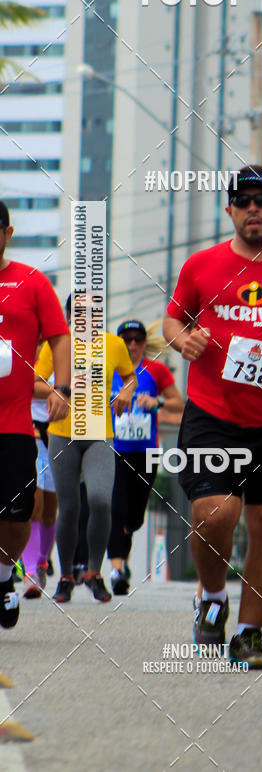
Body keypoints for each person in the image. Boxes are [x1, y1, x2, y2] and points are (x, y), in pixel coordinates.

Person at [163, 165, 262, 669]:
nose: (253, 209)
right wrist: (182, 339)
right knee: (214, 513)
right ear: (229, 210)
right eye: (243, 201)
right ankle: (212, 596)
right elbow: (173, 317)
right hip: (213, 410)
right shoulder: (202, 265)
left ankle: (248, 633)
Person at [35, 293, 137, 603]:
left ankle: (94, 572)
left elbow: (130, 377)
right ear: (68, 316)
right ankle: (66, 576)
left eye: (93, 312)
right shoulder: (60, 344)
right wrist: (57, 391)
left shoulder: (114, 344)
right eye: (78, 312)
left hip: (99, 433)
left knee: (100, 500)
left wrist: (125, 394)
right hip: (62, 434)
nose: (86, 317)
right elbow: (35, 381)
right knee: (69, 507)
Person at [0, 200, 70, 628]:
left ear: (7, 234)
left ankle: (5, 576)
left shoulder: (31, 281)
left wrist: (61, 388)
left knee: (16, 512)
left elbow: (60, 337)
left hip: (12, 421)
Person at [108, 319, 184, 595]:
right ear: (119, 343)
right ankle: (117, 569)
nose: (132, 345)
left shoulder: (156, 370)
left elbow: (179, 402)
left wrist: (157, 402)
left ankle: (122, 555)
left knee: (134, 517)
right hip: (115, 450)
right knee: (115, 509)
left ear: (143, 344)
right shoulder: (108, 370)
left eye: (138, 340)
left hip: (147, 453)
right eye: (127, 340)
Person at [22, 345, 59, 599]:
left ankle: (43, 562)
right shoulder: (16, 354)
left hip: (57, 435)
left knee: (49, 510)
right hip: (29, 434)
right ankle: (31, 571)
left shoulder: (59, 353)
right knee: (33, 504)